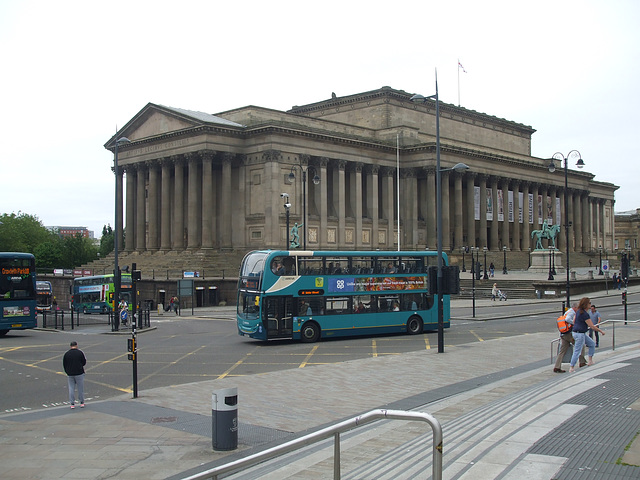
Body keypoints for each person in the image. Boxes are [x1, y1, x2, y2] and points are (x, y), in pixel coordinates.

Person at [569, 297, 605, 373]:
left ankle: (590, 361)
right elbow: (591, 326)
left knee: (591, 344)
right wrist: (600, 331)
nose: (590, 305)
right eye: (589, 303)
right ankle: (571, 367)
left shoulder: (578, 311)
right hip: (580, 334)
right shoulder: (585, 314)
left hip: (577, 332)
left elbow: (574, 321)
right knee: (577, 350)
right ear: (586, 304)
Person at [553, 302, 587, 373]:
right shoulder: (571, 312)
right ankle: (582, 362)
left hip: (563, 333)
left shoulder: (567, 311)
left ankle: (557, 366)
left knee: (562, 351)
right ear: (575, 308)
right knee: (581, 345)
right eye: (578, 308)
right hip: (569, 334)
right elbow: (567, 319)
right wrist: (575, 324)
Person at [63, 341, 87, 409]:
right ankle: (82, 402)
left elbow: (64, 364)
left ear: (70, 346)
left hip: (70, 373)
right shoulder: (80, 353)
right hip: (79, 373)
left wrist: (67, 371)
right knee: (80, 388)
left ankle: (72, 403)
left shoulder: (67, 354)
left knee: (71, 388)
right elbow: (84, 362)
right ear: (76, 345)